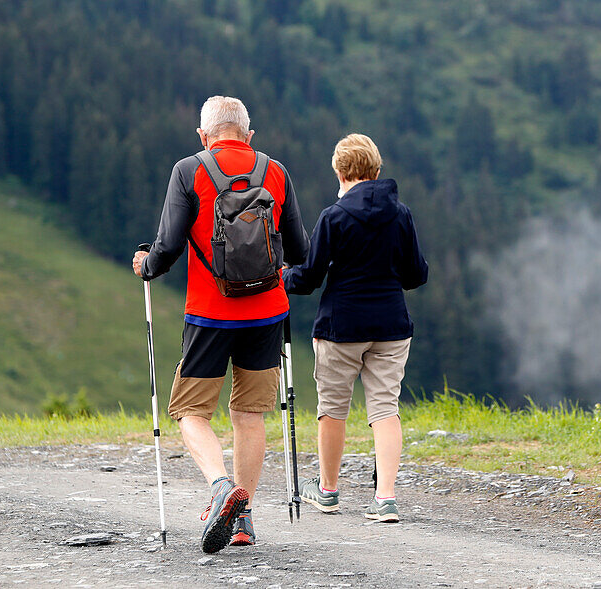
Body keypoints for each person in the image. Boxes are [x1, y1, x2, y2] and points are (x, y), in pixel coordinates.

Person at [132, 96, 309, 553]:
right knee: (249, 415)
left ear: (204, 135)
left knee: (190, 412)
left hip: (210, 313)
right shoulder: (276, 171)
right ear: (248, 135)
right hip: (268, 312)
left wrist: (146, 265)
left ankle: (219, 487)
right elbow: (301, 251)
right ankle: (243, 516)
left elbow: (167, 247)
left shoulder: (189, 170)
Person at [283, 133, 428, 523]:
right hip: (392, 325)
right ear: (377, 171)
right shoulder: (401, 214)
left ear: (340, 172)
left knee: (333, 409)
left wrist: (284, 277)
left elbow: (310, 278)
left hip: (340, 326)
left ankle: (328, 490)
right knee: (385, 408)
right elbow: (416, 274)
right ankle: (386, 498)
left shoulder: (334, 217)